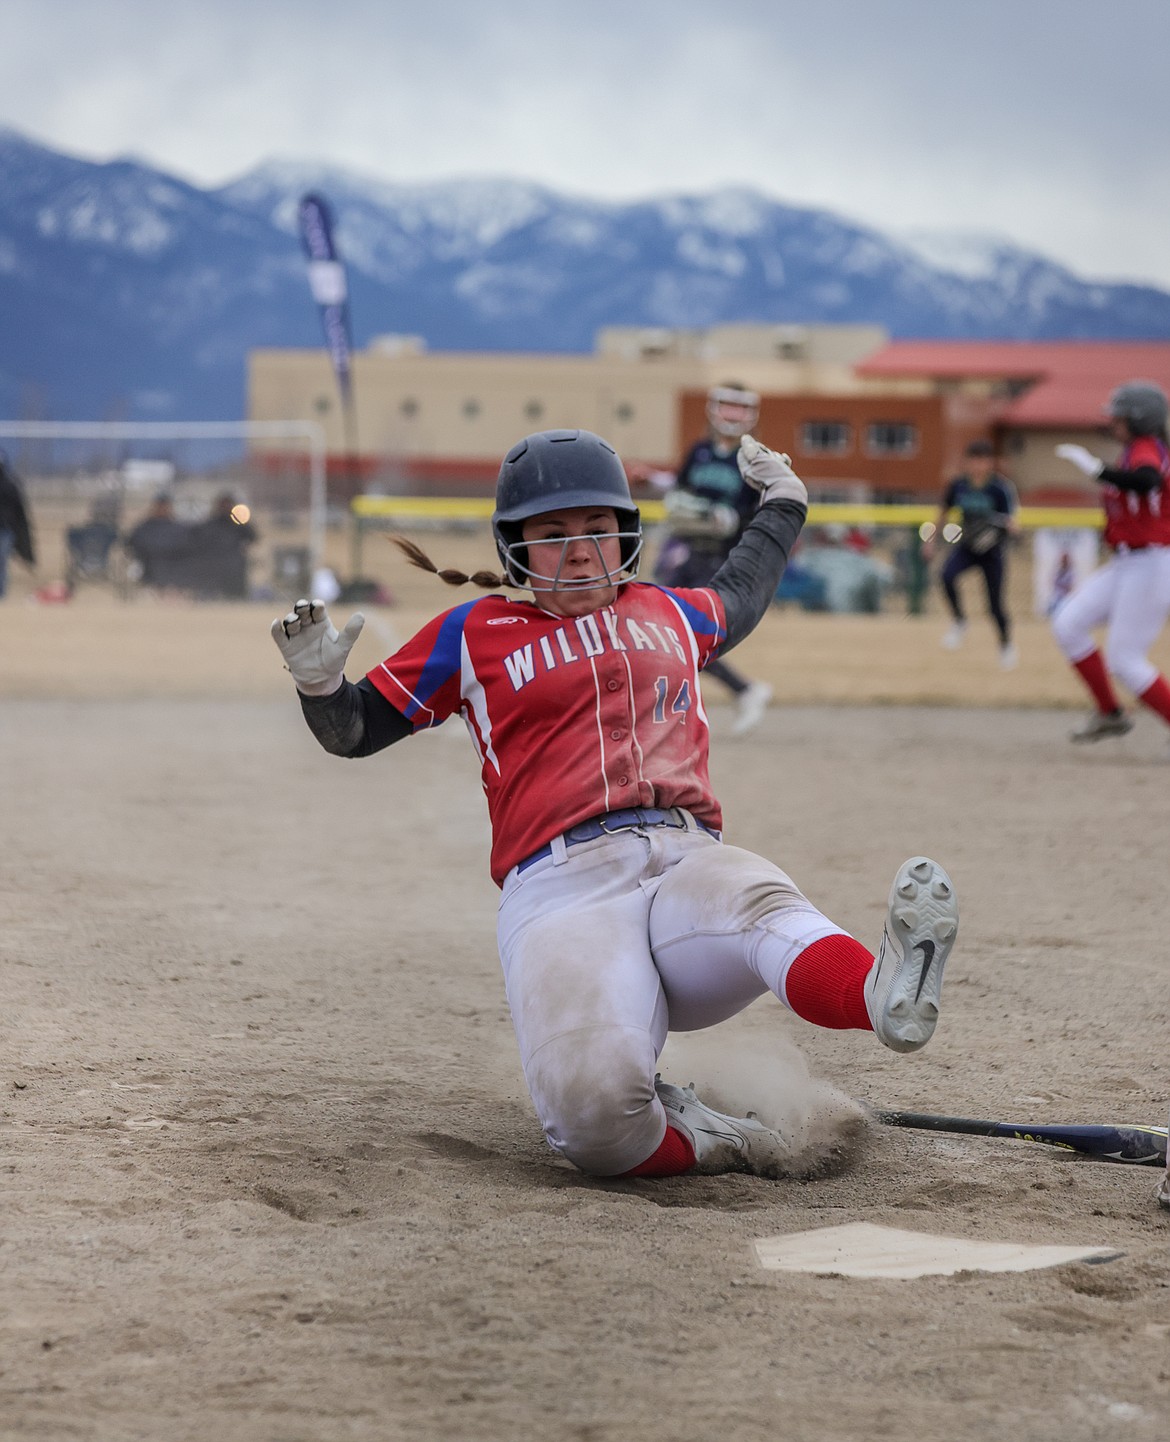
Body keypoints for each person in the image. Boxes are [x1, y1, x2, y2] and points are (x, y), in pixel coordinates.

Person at [270, 427, 961, 1181]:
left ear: (625, 533)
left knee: (764, 905)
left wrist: (786, 502)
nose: (580, 548)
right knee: (594, 1120)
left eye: (598, 529)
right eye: (554, 533)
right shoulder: (477, 633)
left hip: (687, 862)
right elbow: (357, 731)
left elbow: (747, 586)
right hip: (563, 892)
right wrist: (321, 689)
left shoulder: (667, 610)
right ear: (515, 549)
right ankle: (712, 1138)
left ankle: (879, 991)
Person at [650, 382, 776, 733]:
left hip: (720, 559)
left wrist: (714, 517)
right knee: (662, 628)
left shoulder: (755, 460)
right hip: (684, 552)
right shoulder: (699, 450)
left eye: (740, 408)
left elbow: (740, 518)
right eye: (726, 406)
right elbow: (679, 493)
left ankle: (741, 691)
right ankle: (736, 692)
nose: (732, 415)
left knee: (688, 635)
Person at [1052, 379, 1170, 745]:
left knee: (1125, 659)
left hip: (1151, 562)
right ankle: (1109, 713)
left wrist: (1097, 470)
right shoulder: (1134, 449)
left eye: (1118, 417)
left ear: (1138, 419)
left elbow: (1148, 481)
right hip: (1127, 563)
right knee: (1068, 624)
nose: (1112, 423)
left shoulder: (1147, 448)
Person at [921, 439, 1019, 669]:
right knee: (946, 576)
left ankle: (1006, 646)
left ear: (989, 463)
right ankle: (959, 621)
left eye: (982, 460)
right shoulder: (959, 485)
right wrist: (930, 541)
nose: (977, 465)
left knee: (994, 605)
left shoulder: (999, 488)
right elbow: (942, 513)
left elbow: (1010, 520)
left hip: (991, 550)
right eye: (973, 460)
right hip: (967, 546)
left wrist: (1005, 527)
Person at [190, 491, 259, 599]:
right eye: (223, 505)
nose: (225, 507)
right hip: (213, 564)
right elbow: (199, 539)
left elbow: (253, 537)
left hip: (234, 565)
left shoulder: (238, 524)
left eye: (228, 505)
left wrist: (240, 519)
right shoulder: (211, 524)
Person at [126, 491, 192, 592]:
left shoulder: (178, 527)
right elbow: (131, 546)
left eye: (165, 506)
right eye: (160, 505)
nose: (162, 509)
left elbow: (185, 547)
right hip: (147, 566)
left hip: (172, 567)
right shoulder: (144, 527)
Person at [0, 451, 36, 599]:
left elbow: (20, 511)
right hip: (8, 530)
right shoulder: (12, 484)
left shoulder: (10, 485)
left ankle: (1, 595)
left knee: (2, 562)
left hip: (6, 530)